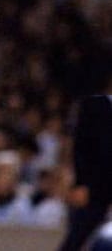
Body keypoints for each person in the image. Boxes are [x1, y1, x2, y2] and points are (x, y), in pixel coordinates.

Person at [57, 93, 112, 251]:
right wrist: (81, 183)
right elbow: (81, 147)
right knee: (76, 239)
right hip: (95, 189)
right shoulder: (95, 106)